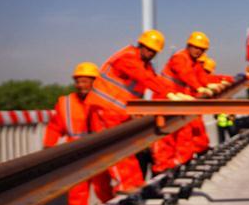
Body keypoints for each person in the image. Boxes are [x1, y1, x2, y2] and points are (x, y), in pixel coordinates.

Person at [86, 30, 192, 191]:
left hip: (120, 113)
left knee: (128, 150)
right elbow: (144, 78)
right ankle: (124, 186)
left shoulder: (146, 65)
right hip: (103, 108)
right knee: (115, 150)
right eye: (148, 49)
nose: (150, 53)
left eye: (154, 52)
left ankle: (136, 184)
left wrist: (175, 93)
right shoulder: (127, 57)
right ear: (140, 45)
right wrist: (169, 93)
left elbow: (155, 79)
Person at [44, 62, 114, 205]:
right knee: (77, 196)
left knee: (104, 190)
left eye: (85, 81)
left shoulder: (104, 101)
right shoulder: (65, 103)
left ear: (94, 82)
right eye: (78, 81)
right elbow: (55, 126)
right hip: (76, 157)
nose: (80, 85)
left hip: (99, 154)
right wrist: (48, 148)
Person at [152, 31, 218, 172]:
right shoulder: (180, 58)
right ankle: (162, 168)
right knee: (166, 138)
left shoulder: (194, 63)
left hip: (177, 101)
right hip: (165, 100)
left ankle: (179, 163)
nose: (198, 51)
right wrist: (199, 87)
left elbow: (202, 77)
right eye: (196, 47)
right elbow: (186, 74)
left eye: (202, 49)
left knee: (184, 135)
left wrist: (213, 84)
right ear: (188, 45)